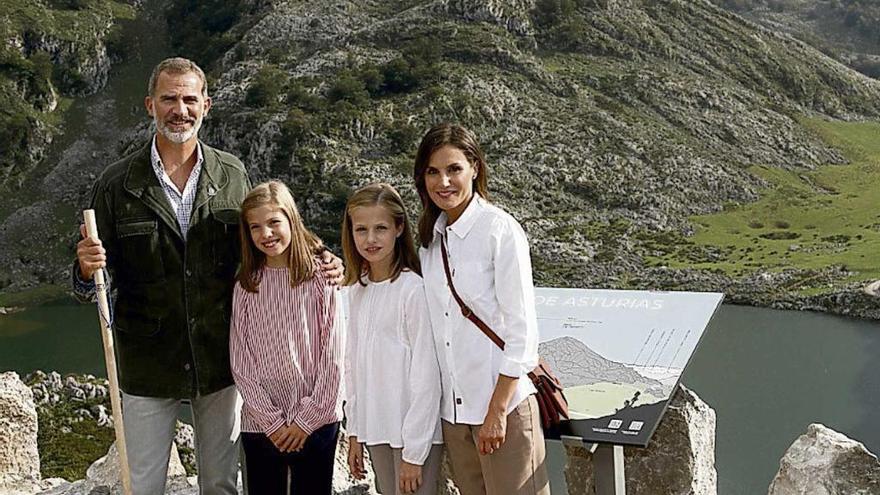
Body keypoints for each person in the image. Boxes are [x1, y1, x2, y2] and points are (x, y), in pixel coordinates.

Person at [72, 57, 341, 495]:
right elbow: (93, 283)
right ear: (149, 105)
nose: (180, 109)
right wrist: (86, 268)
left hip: (221, 360)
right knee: (141, 485)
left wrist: (322, 256)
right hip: (146, 362)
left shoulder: (231, 174)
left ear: (207, 105)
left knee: (220, 483)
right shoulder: (115, 184)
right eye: (169, 99)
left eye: (189, 98)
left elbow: (268, 234)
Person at [412, 123, 550, 495]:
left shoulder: (499, 230)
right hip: (455, 418)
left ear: (474, 167)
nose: (444, 182)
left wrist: (497, 412)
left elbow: (523, 333)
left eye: (454, 169)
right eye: (433, 172)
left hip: (501, 410)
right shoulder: (429, 241)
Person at [230, 180, 345, 495]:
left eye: (273, 222)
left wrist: (306, 419)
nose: (265, 233)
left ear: (291, 220)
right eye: (255, 227)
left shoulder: (323, 278)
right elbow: (242, 363)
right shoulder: (246, 286)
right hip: (261, 426)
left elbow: (334, 356)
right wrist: (271, 421)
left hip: (317, 423)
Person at [341, 183, 443, 495]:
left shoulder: (413, 290)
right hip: (376, 430)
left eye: (380, 228)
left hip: (415, 438)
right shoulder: (354, 291)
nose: (370, 239)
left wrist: (414, 454)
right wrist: (355, 432)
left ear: (399, 228)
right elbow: (353, 369)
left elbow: (427, 377)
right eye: (361, 229)